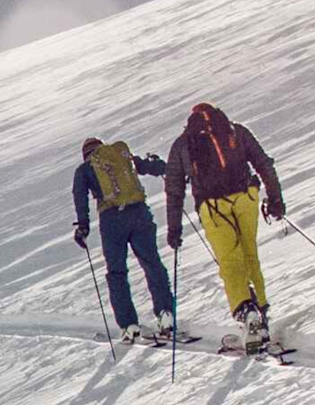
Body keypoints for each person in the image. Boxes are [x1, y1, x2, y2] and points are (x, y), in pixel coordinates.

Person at [163, 101, 288, 347]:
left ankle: (246, 311)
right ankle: (262, 317)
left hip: (213, 207)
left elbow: (174, 190)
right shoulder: (235, 131)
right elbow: (263, 163)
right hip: (246, 198)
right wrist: (275, 198)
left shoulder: (183, 144)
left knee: (230, 260)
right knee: (250, 254)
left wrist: (174, 228)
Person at [72, 135, 178, 341]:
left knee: (117, 272)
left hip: (112, 220)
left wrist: (83, 227)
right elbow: (145, 167)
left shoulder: (85, 169)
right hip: (139, 213)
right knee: (152, 263)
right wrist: (161, 166)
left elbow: (80, 196)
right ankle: (166, 315)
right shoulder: (120, 157)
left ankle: (129, 325)